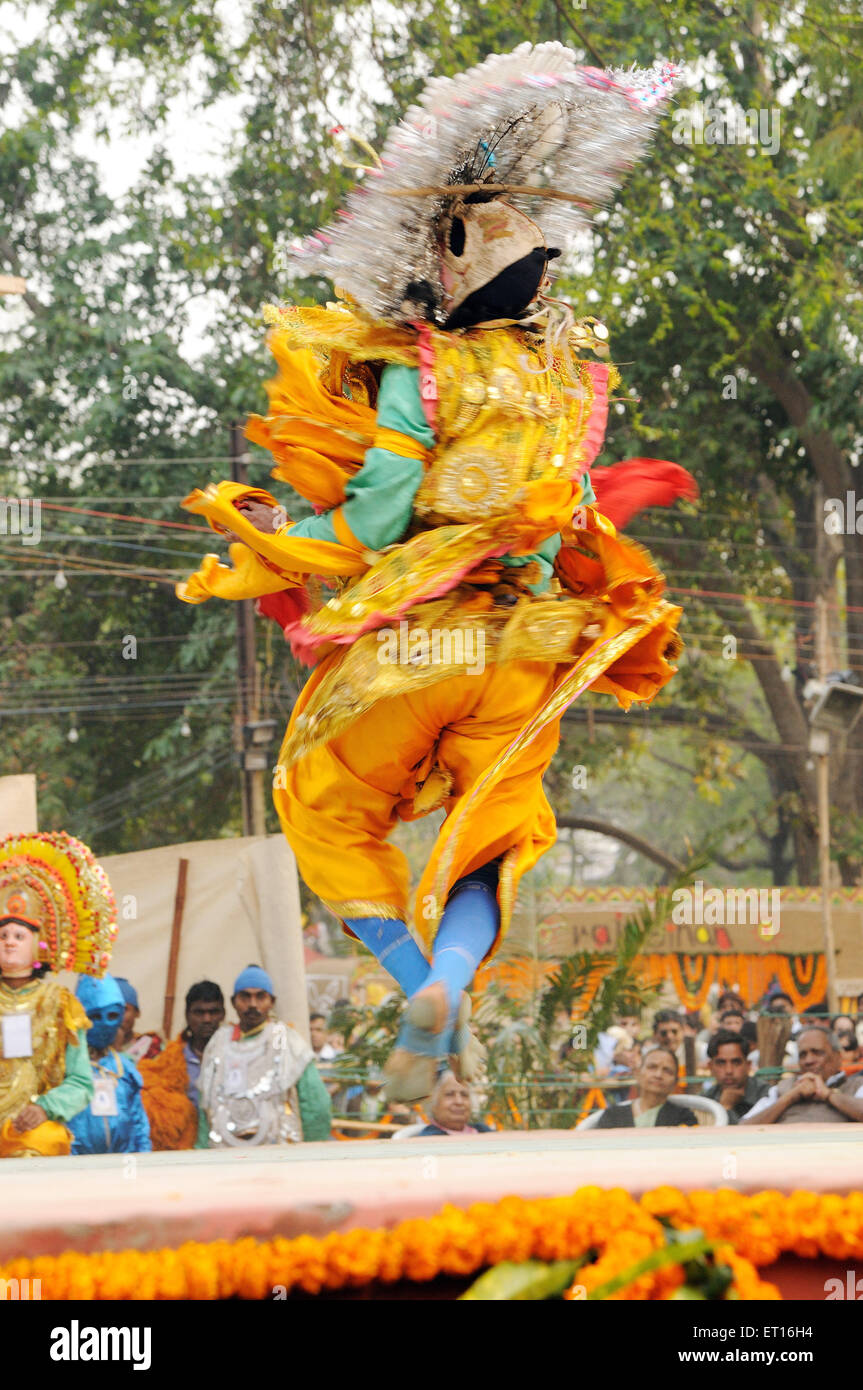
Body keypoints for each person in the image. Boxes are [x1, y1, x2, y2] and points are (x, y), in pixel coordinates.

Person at [176, 47, 690, 1102]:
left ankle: (412, 982)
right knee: (491, 839)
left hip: (415, 648)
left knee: (319, 805)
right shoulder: (566, 384)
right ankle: (449, 980)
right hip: (524, 651)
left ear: (444, 271)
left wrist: (289, 528)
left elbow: (372, 516)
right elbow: (566, 523)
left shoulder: (418, 370)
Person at [0, 831, 115, 1157]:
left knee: (45, 1141)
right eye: (3, 934)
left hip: (31, 1128)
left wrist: (46, 1108)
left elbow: (81, 1082)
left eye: (19, 935)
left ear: (39, 944)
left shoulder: (60, 1003)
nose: (9, 941)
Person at [199, 965, 331, 1146]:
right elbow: (205, 1105)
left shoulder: (287, 1042)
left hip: (278, 1156)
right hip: (224, 1155)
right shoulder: (218, 1043)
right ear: (233, 1002)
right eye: (245, 996)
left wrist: (312, 1152)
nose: (253, 1004)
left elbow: (316, 1106)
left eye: (260, 996)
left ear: (272, 1001)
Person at [68, 975, 151, 1155]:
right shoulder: (67, 1067)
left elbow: (139, 1125)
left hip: (122, 1168)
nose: (105, 1023)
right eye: (95, 1016)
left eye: (113, 1015)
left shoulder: (124, 1069)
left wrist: (141, 1165)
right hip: (76, 1170)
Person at [139, 980, 225, 1150]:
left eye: (213, 1012)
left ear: (223, 1014)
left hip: (229, 1145)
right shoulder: (170, 1060)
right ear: (187, 1015)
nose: (207, 1019)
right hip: (186, 1149)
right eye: (199, 1012)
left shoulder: (237, 1054)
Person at [741, 1027, 863, 1124]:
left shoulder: (856, 1085)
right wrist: (789, 1098)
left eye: (817, 1053)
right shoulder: (783, 1089)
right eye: (803, 1055)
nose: (808, 1060)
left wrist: (828, 1095)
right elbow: (744, 1127)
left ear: (838, 1057)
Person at [593, 1047, 697, 1129]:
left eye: (667, 1070)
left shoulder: (683, 1117)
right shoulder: (613, 1116)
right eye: (652, 1067)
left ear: (675, 1082)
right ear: (638, 1073)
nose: (658, 1075)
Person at [701, 1029, 768, 1124]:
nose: (729, 1071)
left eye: (736, 1063)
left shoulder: (767, 1096)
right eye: (721, 1063)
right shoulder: (705, 1101)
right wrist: (724, 1106)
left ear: (748, 1065)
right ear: (710, 1067)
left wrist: (725, 1108)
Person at [417, 1071, 492, 1137]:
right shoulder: (430, 1137)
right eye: (449, 1094)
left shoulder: (482, 1130)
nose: (459, 1102)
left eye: (464, 1094)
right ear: (433, 1104)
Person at [113, 977, 162, 1062]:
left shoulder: (151, 1047)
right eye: (111, 1011)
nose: (118, 1016)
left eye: (124, 1009)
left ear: (137, 1013)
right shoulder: (91, 1049)